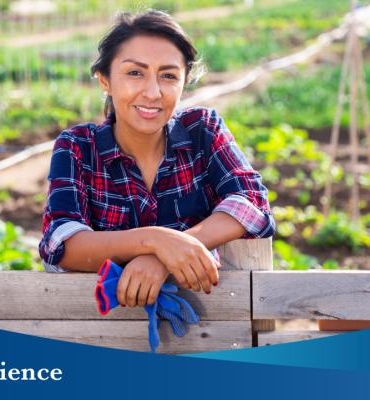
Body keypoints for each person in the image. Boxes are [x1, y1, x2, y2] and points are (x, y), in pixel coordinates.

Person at [39, 9, 275, 309]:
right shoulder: (78, 147)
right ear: (105, 81)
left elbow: (252, 202)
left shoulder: (202, 129)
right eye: (135, 73)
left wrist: (163, 258)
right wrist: (156, 241)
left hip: (214, 322)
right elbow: (63, 244)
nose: (153, 92)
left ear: (184, 82)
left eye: (168, 76)